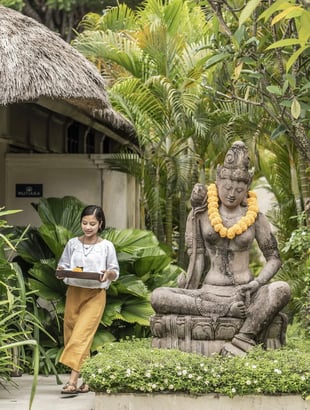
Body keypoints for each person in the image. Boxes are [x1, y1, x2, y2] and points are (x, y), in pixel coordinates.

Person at [151, 141, 291, 355]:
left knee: (281, 289)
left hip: (245, 294)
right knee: (159, 296)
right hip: (209, 294)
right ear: (217, 182)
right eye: (227, 187)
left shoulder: (255, 218)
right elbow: (196, 261)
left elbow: (274, 257)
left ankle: (243, 338)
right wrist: (188, 287)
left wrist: (256, 284)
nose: (232, 193)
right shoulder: (201, 214)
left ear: (247, 189)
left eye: (239, 188)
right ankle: (228, 313)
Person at [56, 205, 119, 394]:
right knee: (71, 335)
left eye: (92, 223)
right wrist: (61, 272)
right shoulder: (72, 244)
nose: (88, 227)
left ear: (100, 224)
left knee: (81, 336)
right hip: (74, 292)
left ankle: (72, 382)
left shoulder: (107, 246)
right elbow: (63, 264)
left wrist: (107, 274)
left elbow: (114, 272)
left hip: (95, 296)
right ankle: (89, 379)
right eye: (85, 223)